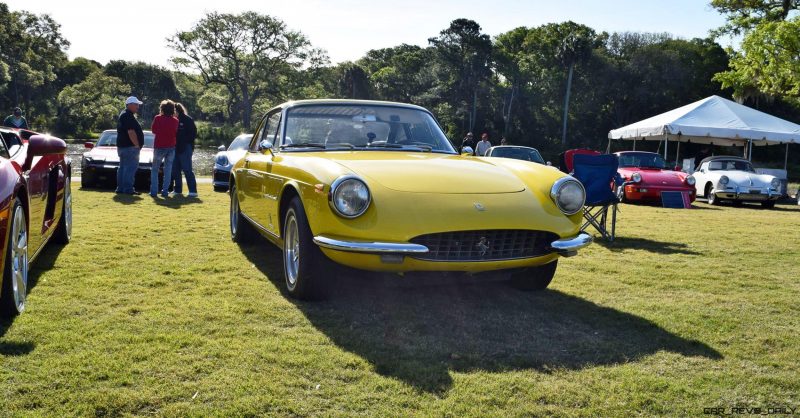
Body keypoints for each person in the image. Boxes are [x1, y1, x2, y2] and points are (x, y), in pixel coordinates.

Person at [116, 97, 144, 195]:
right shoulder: (127, 115)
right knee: (130, 168)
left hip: (124, 146)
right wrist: (137, 145)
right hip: (130, 147)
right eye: (136, 104)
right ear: (130, 104)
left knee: (123, 168)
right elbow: (131, 131)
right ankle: (128, 189)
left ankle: (121, 188)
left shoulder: (125, 114)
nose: (138, 107)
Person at [150, 100, 179, 198]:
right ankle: (165, 191)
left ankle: (154, 192)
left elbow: (153, 130)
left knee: (155, 170)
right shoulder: (175, 120)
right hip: (171, 147)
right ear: (172, 110)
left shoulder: (157, 118)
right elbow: (175, 133)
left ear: (162, 109)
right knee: (168, 170)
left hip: (159, 146)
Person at [171, 103, 198, 197]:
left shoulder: (188, 119)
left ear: (177, 110)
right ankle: (178, 190)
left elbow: (193, 134)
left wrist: (184, 142)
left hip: (186, 148)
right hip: (175, 148)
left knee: (187, 170)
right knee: (175, 169)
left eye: (173, 111)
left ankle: (193, 191)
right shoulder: (173, 120)